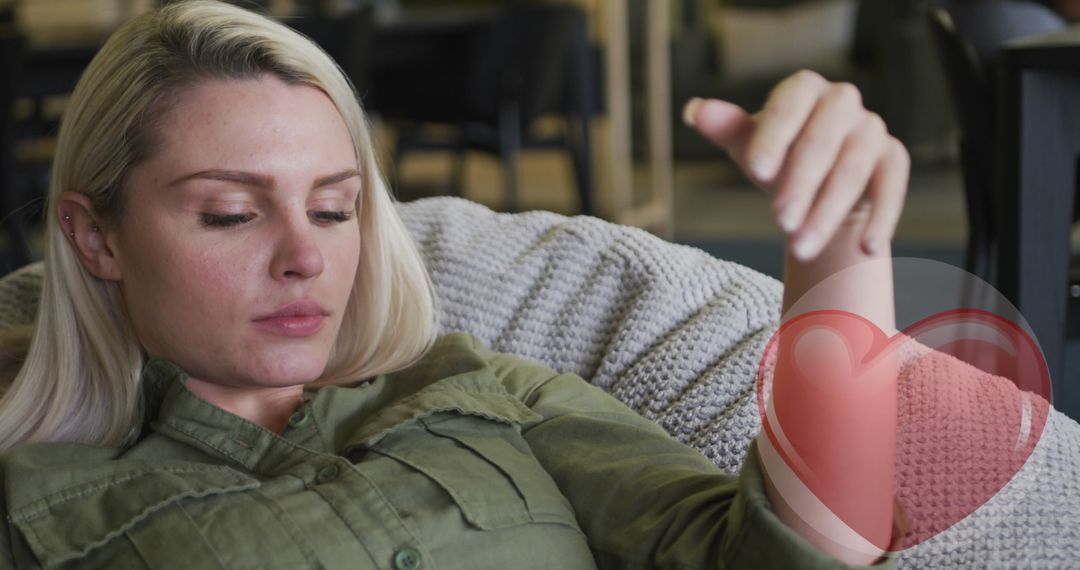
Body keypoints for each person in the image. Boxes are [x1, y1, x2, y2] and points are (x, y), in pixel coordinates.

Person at [0, 1, 911, 568]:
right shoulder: (38, 491)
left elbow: (783, 557)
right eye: (232, 214)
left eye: (334, 208)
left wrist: (839, 254)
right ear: (94, 235)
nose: (306, 257)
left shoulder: (476, 389)